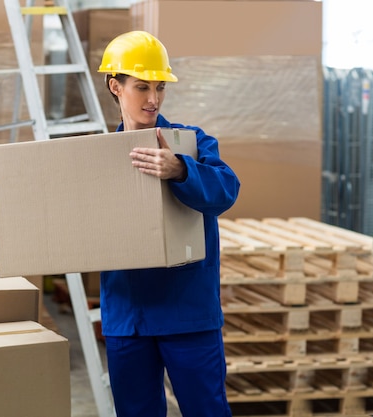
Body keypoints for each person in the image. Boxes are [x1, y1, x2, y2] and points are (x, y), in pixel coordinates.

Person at [97, 30, 240, 416]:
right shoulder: (95, 158)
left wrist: (181, 170)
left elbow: (226, 190)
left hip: (188, 311)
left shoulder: (192, 143)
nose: (153, 98)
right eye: (142, 87)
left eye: (159, 87)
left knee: (206, 410)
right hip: (128, 316)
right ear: (116, 86)